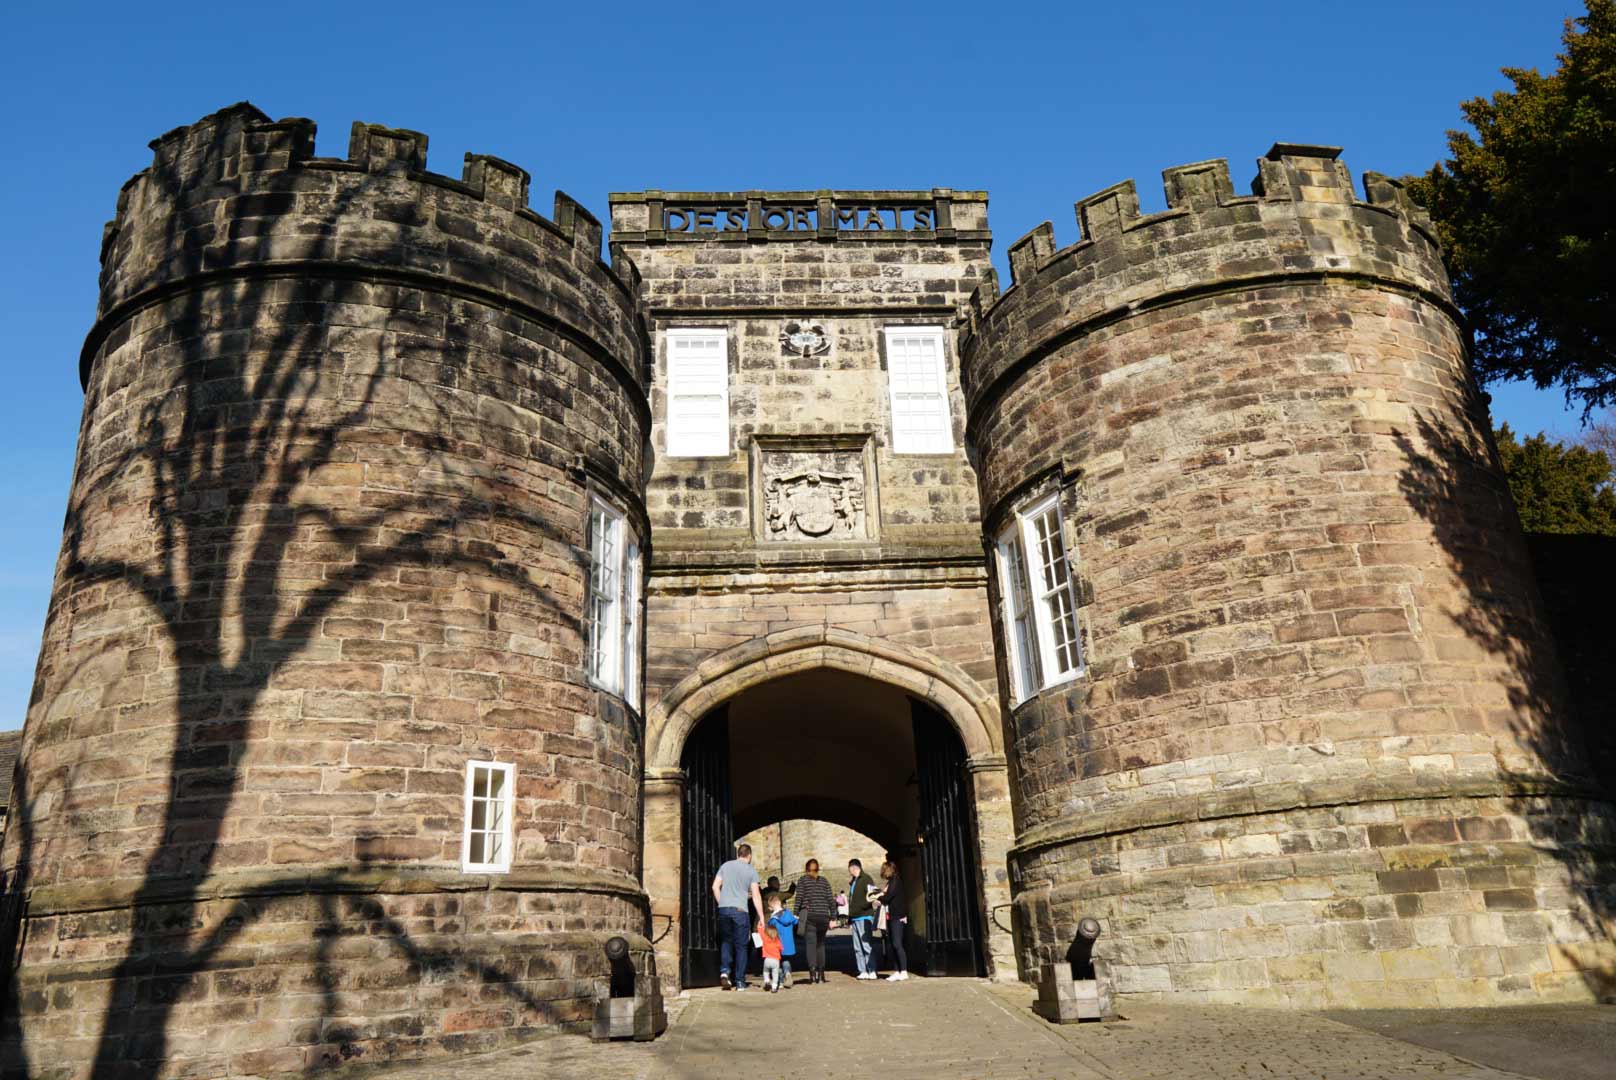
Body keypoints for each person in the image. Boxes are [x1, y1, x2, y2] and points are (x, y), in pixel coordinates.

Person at [712, 842, 764, 991]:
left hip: (724, 909)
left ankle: (725, 971)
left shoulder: (726, 866)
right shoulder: (751, 871)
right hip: (741, 911)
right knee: (741, 946)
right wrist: (761, 916)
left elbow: (715, 886)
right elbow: (756, 895)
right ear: (749, 855)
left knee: (726, 942)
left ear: (738, 854)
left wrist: (721, 901)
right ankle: (740, 981)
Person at [792, 858, 835, 984]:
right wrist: (833, 917)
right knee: (820, 945)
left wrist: (795, 914)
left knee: (811, 945)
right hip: (823, 916)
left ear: (806, 869)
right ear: (818, 869)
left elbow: (799, 897)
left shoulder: (803, 880)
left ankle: (812, 974)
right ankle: (821, 975)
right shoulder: (824, 881)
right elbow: (830, 900)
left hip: (810, 916)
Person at [872, 861, 909, 981]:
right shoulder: (892, 881)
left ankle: (903, 971)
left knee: (897, 944)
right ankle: (897, 971)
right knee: (893, 944)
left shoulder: (895, 881)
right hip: (892, 916)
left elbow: (888, 897)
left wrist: (878, 896)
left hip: (897, 916)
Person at [846, 858, 878, 980]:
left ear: (854, 867)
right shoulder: (853, 881)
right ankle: (862, 970)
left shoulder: (866, 879)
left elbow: (873, 895)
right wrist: (850, 917)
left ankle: (872, 969)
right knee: (857, 947)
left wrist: (862, 906)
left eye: (850, 869)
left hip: (864, 916)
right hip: (854, 918)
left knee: (866, 945)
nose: (849, 872)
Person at [767, 893, 798, 990]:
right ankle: (788, 974)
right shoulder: (788, 914)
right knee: (786, 961)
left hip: (777, 945)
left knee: (778, 963)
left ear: (771, 907)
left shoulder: (773, 919)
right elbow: (795, 922)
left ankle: (780, 981)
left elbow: (770, 931)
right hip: (788, 944)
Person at [759, 921, 784, 992]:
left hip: (767, 959)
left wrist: (760, 925)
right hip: (776, 960)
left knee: (765, 971)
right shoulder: (777, 941)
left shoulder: (765, 939)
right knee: (775, 974)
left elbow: (760, 932)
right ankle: (774, 986)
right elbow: (781, 948)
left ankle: (767, 981)